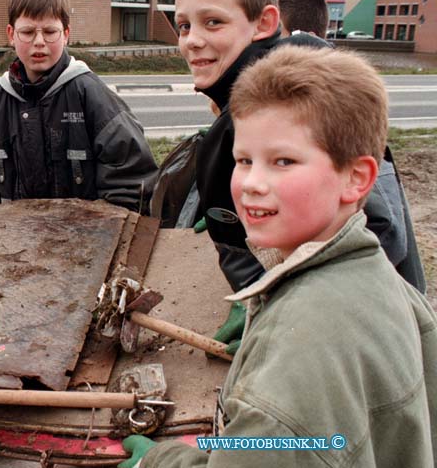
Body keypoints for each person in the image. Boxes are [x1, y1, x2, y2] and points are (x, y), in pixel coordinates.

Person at [120, 45, 437, 468]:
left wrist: (156, 462)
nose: (251, 182)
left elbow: (287, 434)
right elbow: (322, 440)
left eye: (283, 161)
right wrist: (231, 445)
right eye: (244, 160)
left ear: (356, 178)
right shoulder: (389, 281)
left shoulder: (298, 351)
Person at [171, 0, 425, 301]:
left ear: (263, 23)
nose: (192, 40)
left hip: (360, 312)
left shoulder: (305, 98)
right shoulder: (252, 96)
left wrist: (277, 303)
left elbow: (382, 231)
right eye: (184, 25)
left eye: (213, 22)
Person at [0, 0, 158, 214]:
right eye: (28, 32)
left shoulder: (91, 94)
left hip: (84, 237)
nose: (39, 42)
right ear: (11, 34)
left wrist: (102, 225)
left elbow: (131, 178)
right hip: (15, 241)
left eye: (50, 32)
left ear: (66, 34)